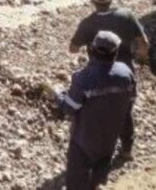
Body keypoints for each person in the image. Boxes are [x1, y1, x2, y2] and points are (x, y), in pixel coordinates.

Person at [69, 0, 149, 160]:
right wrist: (141, 59)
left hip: (98, 75)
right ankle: (127, 150)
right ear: (111, 0)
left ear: (92, 1)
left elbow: (73, 48)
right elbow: (144, 42)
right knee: (125, 112)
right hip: (125, 73)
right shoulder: (127, 15)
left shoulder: (88, 23)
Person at [57, 31, 136, 190]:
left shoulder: (82, 78)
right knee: (99, 173)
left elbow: (69, 109)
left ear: (91, 51)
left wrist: (59, 96)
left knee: (76, 181)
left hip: (83, 141)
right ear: (116, 53)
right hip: (109, 139)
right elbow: (130, 102)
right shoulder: (126, 73)